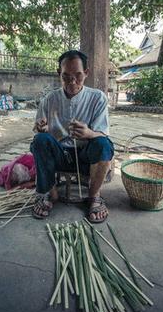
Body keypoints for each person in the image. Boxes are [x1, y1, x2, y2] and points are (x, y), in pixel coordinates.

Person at [30, 50, 114, 223]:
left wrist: (88, 133)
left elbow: (103, 133)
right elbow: (39, 128)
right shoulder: (49, 99)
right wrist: (41, 128)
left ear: (86, 73)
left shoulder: (97, 98)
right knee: (39, 141)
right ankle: (50, 193)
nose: (72, 82)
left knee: (104, 144)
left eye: (78, 76)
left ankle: (94, 196)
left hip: (86, 157)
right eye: (66, 77)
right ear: (59, 74)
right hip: (60, 155)